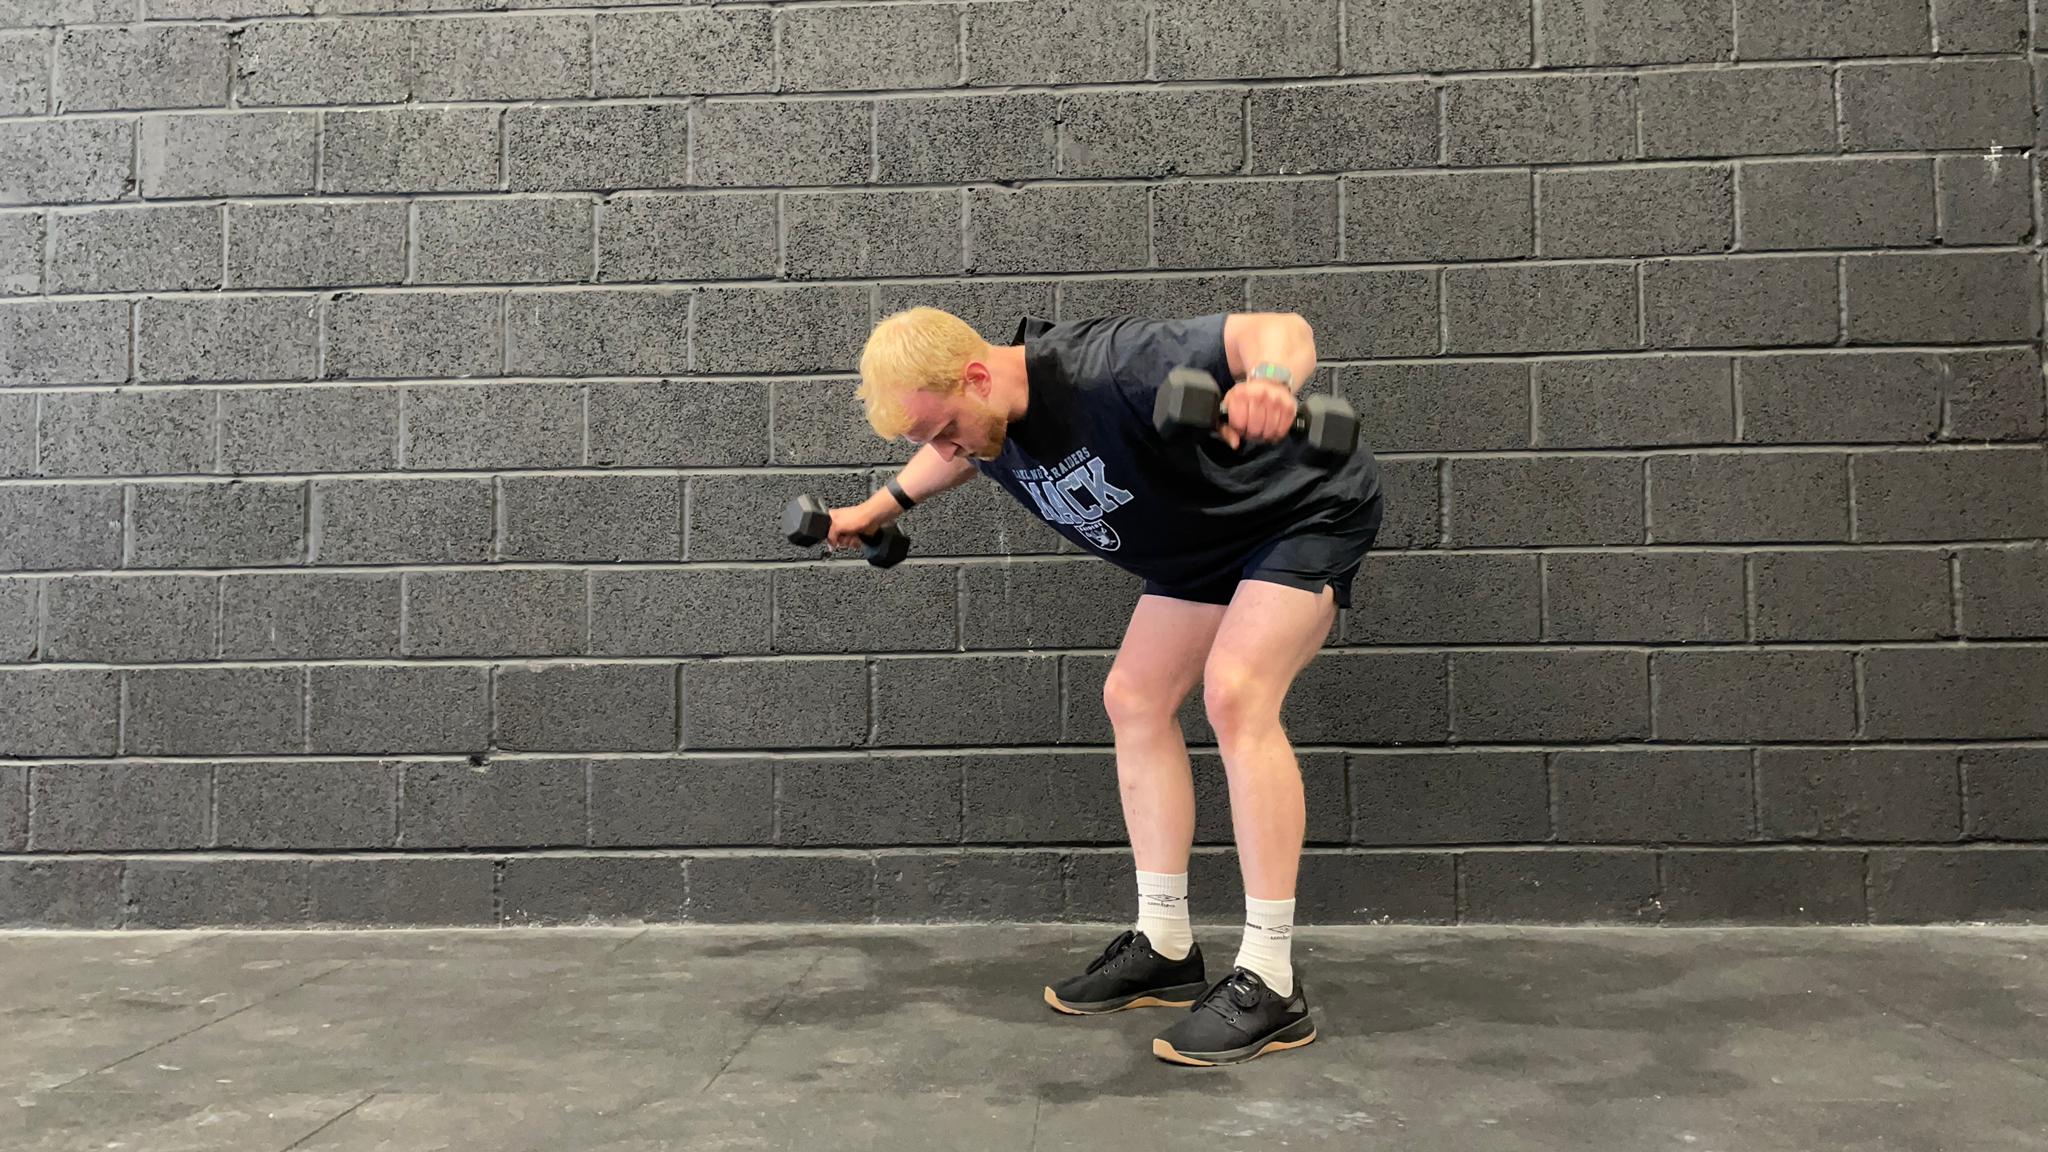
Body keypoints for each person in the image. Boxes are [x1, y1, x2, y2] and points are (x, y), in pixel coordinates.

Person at [832, 306, 1383, 1067]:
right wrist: (883, 505)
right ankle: (1164, 942)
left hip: (1298, 513)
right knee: (1134, 697)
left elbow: (1280, 327)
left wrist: (1271, 382)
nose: (946, 447)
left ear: (979, 376)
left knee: (1235, 690)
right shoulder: (986, 414)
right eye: (929, 438)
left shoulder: (1110, 363)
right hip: (1205, 539)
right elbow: (966, 450)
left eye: (946, 425)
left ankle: (1271, 978)